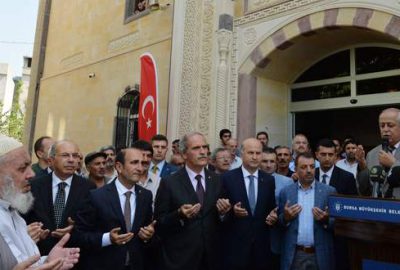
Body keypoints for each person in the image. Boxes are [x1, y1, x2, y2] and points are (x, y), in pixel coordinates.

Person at [0, 134, 80, 269]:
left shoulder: (14, 215)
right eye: (22, 168)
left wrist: (47, 261)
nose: (32, 174)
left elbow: (23, 261)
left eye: (29, 166)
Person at [154, 132, 231, 270]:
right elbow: (159, 223)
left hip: (212, 258)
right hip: (181, 259)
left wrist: (223, 213)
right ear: (184, 154)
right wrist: (179, 214)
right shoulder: (169, 182)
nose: (202, 152)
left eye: (205, 147)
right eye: (196, 148)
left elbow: (223, 220)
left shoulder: (217, 180)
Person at [74, 147, 155, 270]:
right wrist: (108, 238)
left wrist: (148, 236)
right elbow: (79, 236)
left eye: (142, 163)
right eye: (134, 163)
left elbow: (147, 232)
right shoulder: (96, 196)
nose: (140, 168)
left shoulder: (146, 196)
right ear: (119, 167)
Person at [24, 140, 95, 255]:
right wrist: (32, 231)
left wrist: (74, 229)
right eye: (65, 155)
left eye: (75, 156)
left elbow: (92, 222)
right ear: (51, 160)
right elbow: (22, 220)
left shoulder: (89, 187)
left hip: (73, 255)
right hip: (38, 255)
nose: (71, 160)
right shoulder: (34, 186)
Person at [221, 138, 276, 270]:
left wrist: (273, 216)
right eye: (250, 153)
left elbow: (271, 208)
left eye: (258, 153)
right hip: (235, 248)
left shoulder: (269, 180)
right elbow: (220, 211)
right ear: (241, 154)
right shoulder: (227, 178)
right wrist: (231, 211)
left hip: (261, 249)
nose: (255, 157)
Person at [279, 153, 336, 270]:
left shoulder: (329, 192)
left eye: (312, 166)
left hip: (319, 254)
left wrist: (326, 220)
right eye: (304, 167)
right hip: (295, 254)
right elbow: (280, 223)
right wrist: (286, 218)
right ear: (295, 169)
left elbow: (337, 223)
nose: (309, 170)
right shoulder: (286, 192)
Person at [259, 147, 292, 270]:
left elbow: (288, 208)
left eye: (272, 161)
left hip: (277, 235)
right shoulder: (251, 180)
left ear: (276, 162)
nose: (268, 165)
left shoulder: (287, 182)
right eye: (265, 161)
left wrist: (277, 216)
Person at [358, 108, 400, 197]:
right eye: (382, 126)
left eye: (390, 125)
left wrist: (393, 164)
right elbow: (364, 190)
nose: (385, 129)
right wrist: (363, 167)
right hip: (378, 207)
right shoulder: (372, 154)